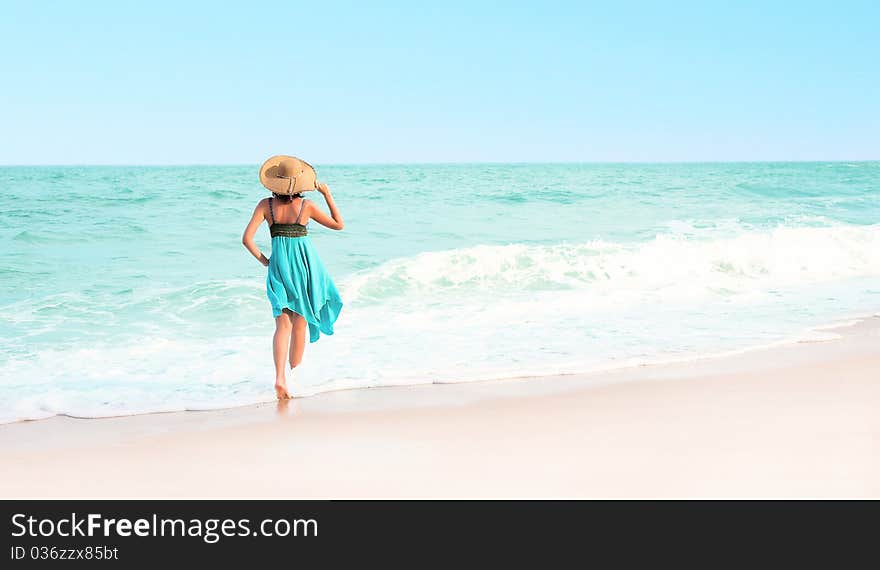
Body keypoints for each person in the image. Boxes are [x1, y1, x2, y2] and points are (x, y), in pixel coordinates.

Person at [241, 156, 344, 399]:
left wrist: (266, 261)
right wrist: (327, 194)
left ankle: (280, 378)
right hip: (306, 267)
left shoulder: (265, 206)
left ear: (274, 184)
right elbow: (339, 225)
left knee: (282, 324)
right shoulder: (306, 206)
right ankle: (295, 377)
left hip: (279, 267)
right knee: (301, 321)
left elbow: (247, 240)